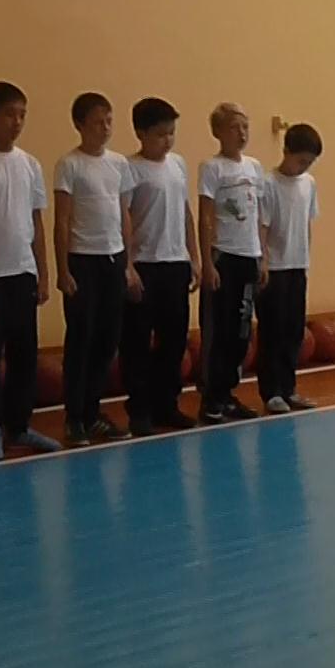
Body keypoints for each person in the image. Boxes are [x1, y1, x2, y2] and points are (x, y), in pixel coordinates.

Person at [0, 81, 63, 462]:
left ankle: (19, 425)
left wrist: (43, 273)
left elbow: (36, 223)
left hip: (23, 274)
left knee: (24, 355)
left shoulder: (30, 165)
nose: (16, 122)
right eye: (9, 114)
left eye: (22, 115)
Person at [53, 92, 135, 446]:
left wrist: (128, 263)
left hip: (113, 260)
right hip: (82, 261)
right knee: (81, 340)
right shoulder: (69, 164)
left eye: (109, 121)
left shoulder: (118, 164)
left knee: (107, 340)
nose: (105, 128)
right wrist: (63, 270)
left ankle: (92, 411)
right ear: (80, 124)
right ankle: (74, 417)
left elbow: (124, 214)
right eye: (98, 122)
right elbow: (62, 220)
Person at [119, 97, 200, 437]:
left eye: (171, 133)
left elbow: (185, 213)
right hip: (144, 265)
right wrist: (128, 266)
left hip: (175, 263)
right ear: (141, 133)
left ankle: (167, 404)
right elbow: (122, 218)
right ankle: (139, 409)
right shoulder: (129, 168)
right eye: (160, 134)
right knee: (137, 341)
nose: (168, 140)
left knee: (174, 339)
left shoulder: (178, 164)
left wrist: (194, 257)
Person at [196, 102, 266, 423]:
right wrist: (208, 262)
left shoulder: (254, 167)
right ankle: (211, 397)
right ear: (218, 132)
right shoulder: (212, 168)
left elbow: (258, 215)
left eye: (245, 127)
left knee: (241, 332)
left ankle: (227, 394)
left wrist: (261, 257)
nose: (241, 133)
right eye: (234, 127)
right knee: (220, 331)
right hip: (224, 257)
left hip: (249, 257)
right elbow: (206, 216)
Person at [257, 122, 323, 414]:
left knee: (293, 330)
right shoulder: (268, 184)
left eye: (309, 163)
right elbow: (262, 226)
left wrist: (306, 259)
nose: (304, 167)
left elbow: (306, 223)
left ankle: (288, 387)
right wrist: (263, 261)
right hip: (275, 267)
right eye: (301, 161)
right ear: (286, 151)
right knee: (273, 330)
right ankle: (271, 391)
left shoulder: (309, 184)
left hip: (297, 265)